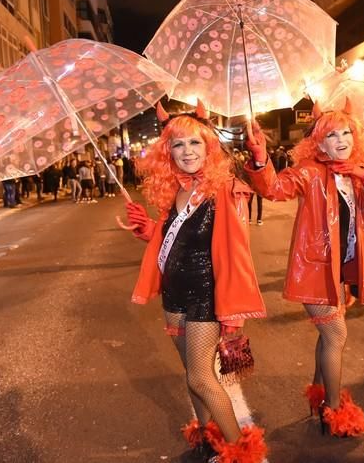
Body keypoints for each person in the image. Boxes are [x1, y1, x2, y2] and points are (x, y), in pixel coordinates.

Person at [123, 101, 267, 462]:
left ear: (209, 147)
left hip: (207, 292)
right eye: (178, 144)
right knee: (192, 372)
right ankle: (208, 437)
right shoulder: (174, 189)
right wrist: (148, 228)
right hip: (173, 292)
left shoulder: (227, 189)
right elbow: (176, 237)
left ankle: (239, 452)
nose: (187, 152)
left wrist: (233, 313)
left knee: (201, 377)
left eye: (195, 143)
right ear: (167, 151)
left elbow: (236, 252)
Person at [244, 98, 364, 437]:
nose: (342, 141)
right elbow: (274, 189)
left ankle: (320, 394)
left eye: (347, 134)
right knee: (336, 334)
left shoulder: (356, 173)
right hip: (314, 269)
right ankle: (334, 410)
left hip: (339, 270)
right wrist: (261, 158)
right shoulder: (309, 171)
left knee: (328, 336)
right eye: (332, 135)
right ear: (318, 143)